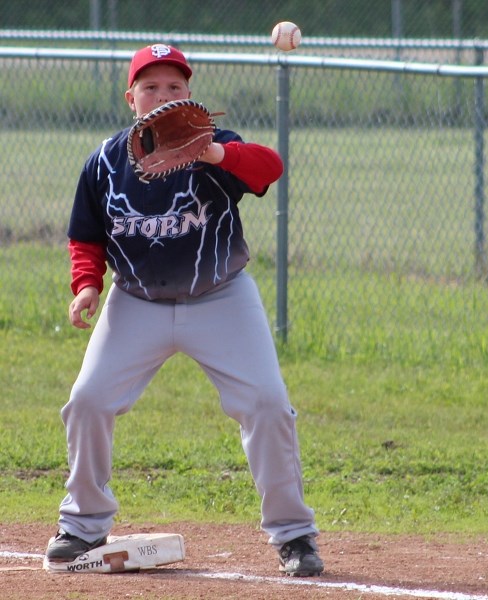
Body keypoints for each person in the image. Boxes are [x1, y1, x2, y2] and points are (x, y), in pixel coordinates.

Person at [44, 43, 324, 577]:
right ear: (132, 98)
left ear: (190, 96)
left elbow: (270, 169)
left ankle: (294, 536)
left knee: (267, 404)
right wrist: (86, 286)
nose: (163, 95)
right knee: (88, 401)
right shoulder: (104, 163)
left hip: (221, 297)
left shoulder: (218, 148)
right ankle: (82, 525)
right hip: (136, 301)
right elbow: (86, 237)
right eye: (151, 86)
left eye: (175, 87)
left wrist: (214, 153)